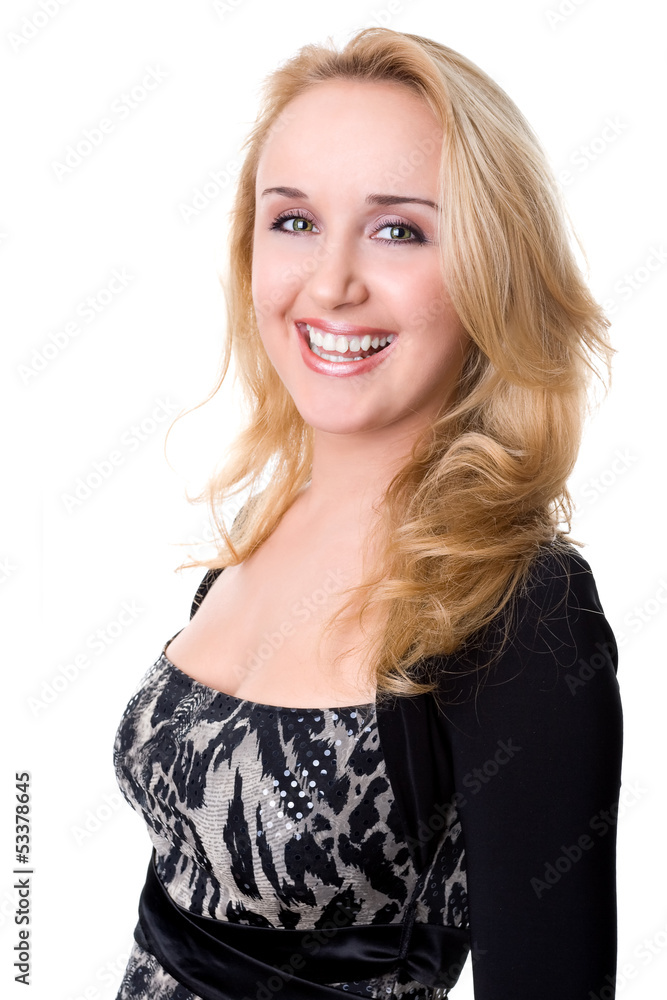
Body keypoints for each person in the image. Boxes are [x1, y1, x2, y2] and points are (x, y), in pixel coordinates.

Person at [112, 26, 623, 1000]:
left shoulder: (520, 608)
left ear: (490, 269)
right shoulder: (255, 538)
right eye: (293, 220)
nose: (331, 282)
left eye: (397, 231)